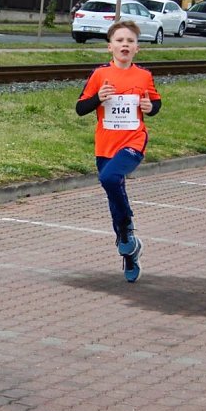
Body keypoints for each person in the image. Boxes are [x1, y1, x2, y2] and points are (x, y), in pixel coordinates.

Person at [76, 20, 162, 283]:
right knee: (115, 195)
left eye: (130, 41)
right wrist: (98, 98)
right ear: (109, 47)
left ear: (137, 48)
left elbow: (155, 103)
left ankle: (126, 230)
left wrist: (151, 107)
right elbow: (80, 108)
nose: (125, 44)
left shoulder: (144, 76)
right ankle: (130, 252)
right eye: (120, 40)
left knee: (110, 179)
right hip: (105, 144)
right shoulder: (100, 75)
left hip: (133, 141)